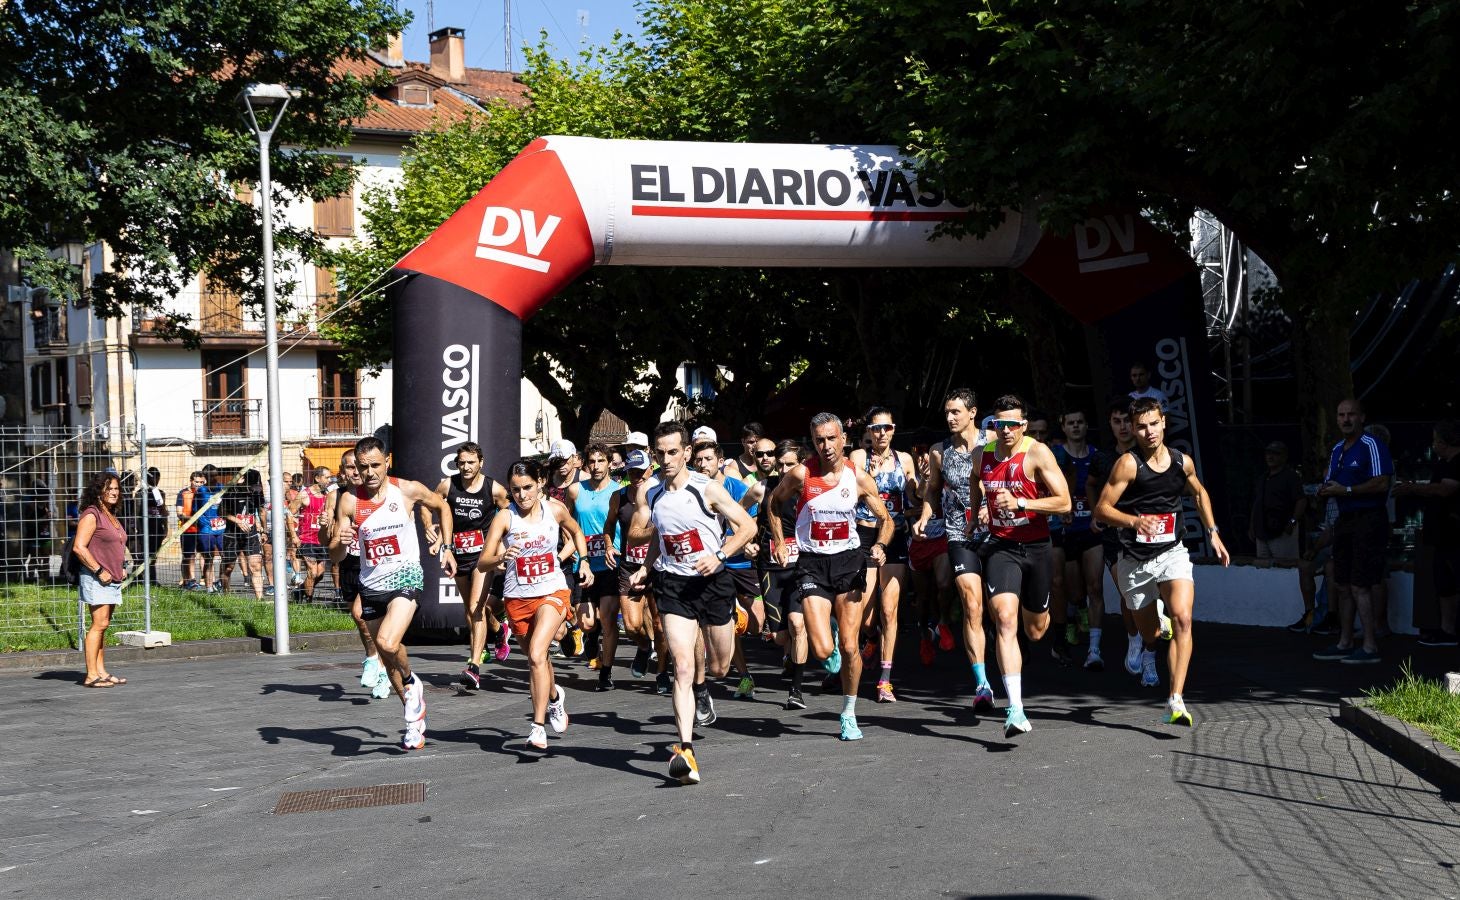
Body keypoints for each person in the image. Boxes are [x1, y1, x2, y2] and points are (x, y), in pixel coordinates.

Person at [627, 421, 758, 784]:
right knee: (683, 667)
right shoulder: (652, 494)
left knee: (717, 668)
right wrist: (646, 567)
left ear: (686, 452)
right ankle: (685, 750)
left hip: (713, 583)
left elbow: (748, 527)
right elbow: (663, 537)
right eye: (661, 453)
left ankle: (733, 622)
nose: (667, 460)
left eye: (673, 452)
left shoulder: (708, 489)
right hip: (673, 585)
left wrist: (719, 554)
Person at [1096, 396, 1230, 727]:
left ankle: (1176, 699)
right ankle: (1154, 623)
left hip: (1172, 552)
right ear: (1133, 429)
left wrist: (1213, 531)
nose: (1149, 431)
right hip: (1135, 560)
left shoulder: (1180, 462)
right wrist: (1133, 522)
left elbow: (1198, 493)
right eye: (1141, 426)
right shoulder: (1127, 464)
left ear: (1164, 423)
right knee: (1151, 634)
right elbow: (1102, 510)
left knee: (1183, 619)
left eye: (1154, 423)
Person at [767, 412, 893, 742]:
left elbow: (886, 519)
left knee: (850, 646)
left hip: (849, 561)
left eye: (832, 438)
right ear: (813, 442)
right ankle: (830, 631)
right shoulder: (800, 474)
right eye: (819, 440)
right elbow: (774, 502)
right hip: (812, 562)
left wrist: (880, 545)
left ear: (843, 440)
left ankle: (848, 713)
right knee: (823, 651)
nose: (826, 446)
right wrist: (780, 541)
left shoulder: (859, 478)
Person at [328, 437, 456, 750]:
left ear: (387, 461)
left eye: (375, 465)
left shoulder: (407, 490)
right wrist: (341, 541)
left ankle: (413, 682)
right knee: (387, 659)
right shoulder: (348, 501)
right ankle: (413, 721)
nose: (369, 473)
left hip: (406, 577)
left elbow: (441, 506)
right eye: (362, 467)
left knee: (387, 642)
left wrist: (447, 547)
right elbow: (334, 555)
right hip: (371, 585)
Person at [974, 395, 1072, 737]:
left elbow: (1064, 502)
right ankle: (1015, 708)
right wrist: (979, 512)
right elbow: (977, 483)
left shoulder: (1036, 453)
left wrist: (1021, 501)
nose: (1005, 431)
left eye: (1012, 424)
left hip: (1037, 548)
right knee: (1003, 619)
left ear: (1024, 425)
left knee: (1035, 629)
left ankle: (1027, 640)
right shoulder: (983, 455)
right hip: (1002, 547)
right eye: (999, 424)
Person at [479, 458, 593, 750]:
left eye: (528, 487)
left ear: (540, 482)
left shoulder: (554, 510)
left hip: (552, 590)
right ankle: (555, 698)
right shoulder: (505, 518)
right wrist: (501, 558)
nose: (522, 495)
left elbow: (577, 532)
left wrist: (584, 562)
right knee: (538, 660)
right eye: (515, 490)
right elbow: (483, 561)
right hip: (517, 597)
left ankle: (537, 726)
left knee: (536, 655)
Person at [913, 388, 997, 714]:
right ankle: (982, 683)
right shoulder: (939, 452)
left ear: (973, 412)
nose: (950, 418)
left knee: (998, 609)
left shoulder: (993, 443)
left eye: (956, 412)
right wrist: (923, 517)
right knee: (971, 604)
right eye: (947, 413)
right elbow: (933, 492)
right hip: (959, 534)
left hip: (996, 535)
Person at [1312, 399, 1392, 665]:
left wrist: (1346, 491)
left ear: (1361, 418)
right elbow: (1330, 481)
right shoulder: (1337, 450)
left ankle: (1370, 646)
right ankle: (1345, 642)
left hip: (1369, 519)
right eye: (1341, 415)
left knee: (1361, 584)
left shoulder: (1372, 445)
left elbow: (1382, 483)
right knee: (1342, 583)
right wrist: (1327, 490)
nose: (1346, 419)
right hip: (1344, 519)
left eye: (1351, 415)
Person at [849, 407, 917, 703]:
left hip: (896, 535)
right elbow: (848, 495)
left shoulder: (905, 460)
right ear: (869, 431)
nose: (881, 434)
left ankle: (885, 680)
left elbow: (914, 498)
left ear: (893, 429)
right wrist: (869, 480)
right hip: (865, 534)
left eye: (886, 428)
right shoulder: (857, 459)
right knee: (866, 617)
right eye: (876, 429)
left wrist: (923, 484)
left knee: (890, 610)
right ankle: (871, 638)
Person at [691, 439, 763, 699]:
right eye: (698, 460)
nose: (703, 464)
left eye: (708, 459)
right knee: (728, 623)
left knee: (757, 626)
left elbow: (748, 523)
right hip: (712, 565)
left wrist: (748, 545)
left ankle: (740, 613)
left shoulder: (735, 487)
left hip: (740, 561)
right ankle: (744, 675)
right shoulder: (693, 490)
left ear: (720, 461)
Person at [435, 442, 511, 690]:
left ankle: (474, 667)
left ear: (481, 463)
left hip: (483, 556)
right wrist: (432, 529)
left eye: (471, 462)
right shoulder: (448, 485)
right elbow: (432, 505)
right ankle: (499, 631)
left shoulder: (494, 488)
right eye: (462, 463)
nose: (466, 467)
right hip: (458, 554)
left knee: (476, 609)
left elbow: (511, 515)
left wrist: (500, 543)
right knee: (471, 609)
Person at [750, 440, 810, 708]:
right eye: (781, 463)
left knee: (798, 624)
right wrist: (747, 541)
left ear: (801, 463)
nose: (784, 469)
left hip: (802, 566)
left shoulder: (812, 488)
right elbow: (738, 513)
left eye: (791, 464)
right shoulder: (763, 487)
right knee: (779, 637)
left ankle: (796, 690)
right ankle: (789, 655)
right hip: (770, 567)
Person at [1394, 420, 1460, 646]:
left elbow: (1445, 489)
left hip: (1455, 534)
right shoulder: (1443, 464)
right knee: (1445, 583)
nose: (1433, 444)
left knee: (1453, 577)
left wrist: (1413, 488)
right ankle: (1447, 630)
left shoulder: (1457, 463)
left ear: (1445, 441)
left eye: (1435, 440)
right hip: (1441, 534)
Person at [1054, 408, 1107, 671]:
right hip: (1065, 533)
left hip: (1091, 530)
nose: (1075, 426)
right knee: (1075, 591)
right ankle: (1076, 612)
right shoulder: (1055, 456)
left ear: (1087, 426)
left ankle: (1094, 650)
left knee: (1095, 587)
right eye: (1070, 422)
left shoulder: (1097, 457)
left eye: (1080, 422)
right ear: (1063, 427)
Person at [567, 443, 624, 689]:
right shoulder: (575, 490)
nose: (596, 466)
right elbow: (567, 523)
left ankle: (606, 673)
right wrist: (570, 547)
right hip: (584, 563)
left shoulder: (619, 491)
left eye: (601, 461)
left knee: (610, 619)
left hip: (611, 563)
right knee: (587, 622)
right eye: (592, 461)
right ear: (585, 464)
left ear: (610, 463)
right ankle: (592, 634)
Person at [602, 449, 659, 684]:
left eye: (640, 471)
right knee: (632, 625)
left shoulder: (660, 494)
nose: (637, 476)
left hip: (657, 565)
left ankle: (663, 673)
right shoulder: (619, 496)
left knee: (660, 624)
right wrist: (608, 546)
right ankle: (644, 646)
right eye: (632, 472)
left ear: (650, 469)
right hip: (629, 564)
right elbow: (609, 526)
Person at [74, 471, 129, 688]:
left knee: (104, 625)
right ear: (99, 491)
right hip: (97, 578)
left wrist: (121, 567)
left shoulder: (110, 514)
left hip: (112, 577)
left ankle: (101, 671)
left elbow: (116, 545)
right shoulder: (92, 514)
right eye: (109, 489)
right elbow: (79, 547)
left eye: (116, 489)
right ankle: (91, 676)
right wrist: (99, 570)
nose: (114, 492)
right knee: (99, 624)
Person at [907, 443, 953, 666]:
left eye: (928, 452)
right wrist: (926, 479)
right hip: (918, 543)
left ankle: (943, 622)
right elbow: (918, 496)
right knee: (923, 598)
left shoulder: (947, 474)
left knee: (944, 584)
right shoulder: (912, 478)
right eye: (920, 451)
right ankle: (925, 636)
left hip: (941, 539)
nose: (924, 456)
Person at [1249, 441, 1306, 559]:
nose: (1270, 457)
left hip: (1282, 532)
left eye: (1275, 454)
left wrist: (1293, 522)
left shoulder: (1291, 477)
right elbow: (1257, 504)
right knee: (1263, 570)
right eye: (1268, 453)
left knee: (1286, 568)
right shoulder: (1263, 478)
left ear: (1284, 456)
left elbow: (1301, 501)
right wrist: (1252, 526)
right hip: (1262, 533)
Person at [219, 470, 266, 600]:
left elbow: (262, 511)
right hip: (232, 534)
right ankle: (225, 593)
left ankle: (260, 598)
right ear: (244, 481)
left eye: (257, 485)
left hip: (250, 533)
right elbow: (221, 512)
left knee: (256, 565)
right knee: (228, 566)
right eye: (253, 485)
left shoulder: (257, 493)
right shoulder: (231, 492)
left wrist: (264, 530)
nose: (255, 488)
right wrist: (238, 521)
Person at [289, 467, 332, 603]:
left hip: (322, 539)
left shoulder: (328, 495)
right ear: (317, 478)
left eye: (330, 477)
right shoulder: (304, 495)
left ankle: (300, 591)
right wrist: (294, 536)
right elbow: (289, 514)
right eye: (327, 477)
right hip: (307, 538)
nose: (329, 480)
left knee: (319, 574)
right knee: (312, 572)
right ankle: (308, 602)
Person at [197, 464, 227, 591]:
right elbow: (196, 510)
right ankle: (209, 587)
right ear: (205, 477)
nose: (214, 478)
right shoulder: (201, 491)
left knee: (225, 556)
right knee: (208, 557)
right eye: (211, 475)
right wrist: (204, 522)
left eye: (215, 475)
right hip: (206, 528)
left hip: (221, 527)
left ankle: (220, 582)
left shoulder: (222, 488)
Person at [176, 471, 205, 589]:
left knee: (205, 554)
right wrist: (194, 518)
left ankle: (206, 579)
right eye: (196, 482)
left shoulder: (206, 493)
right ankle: (189, 580)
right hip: (188, 529)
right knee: (188, 555)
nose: (199, 484)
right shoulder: (183, 493)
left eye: (201, 482)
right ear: (191, 481)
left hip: (204, 529)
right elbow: (179, 513)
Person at [141, 468, 167, 585]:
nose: (155, 480)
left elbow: (163, 511)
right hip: (146, 527)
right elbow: (138, 512)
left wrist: (166, 527)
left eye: (157, 477)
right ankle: (143, 579)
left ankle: (152, 579)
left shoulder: (160, 493)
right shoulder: (141, 493)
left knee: (153, 556)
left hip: (158, 527)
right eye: (152, 477)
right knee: (144, 555)